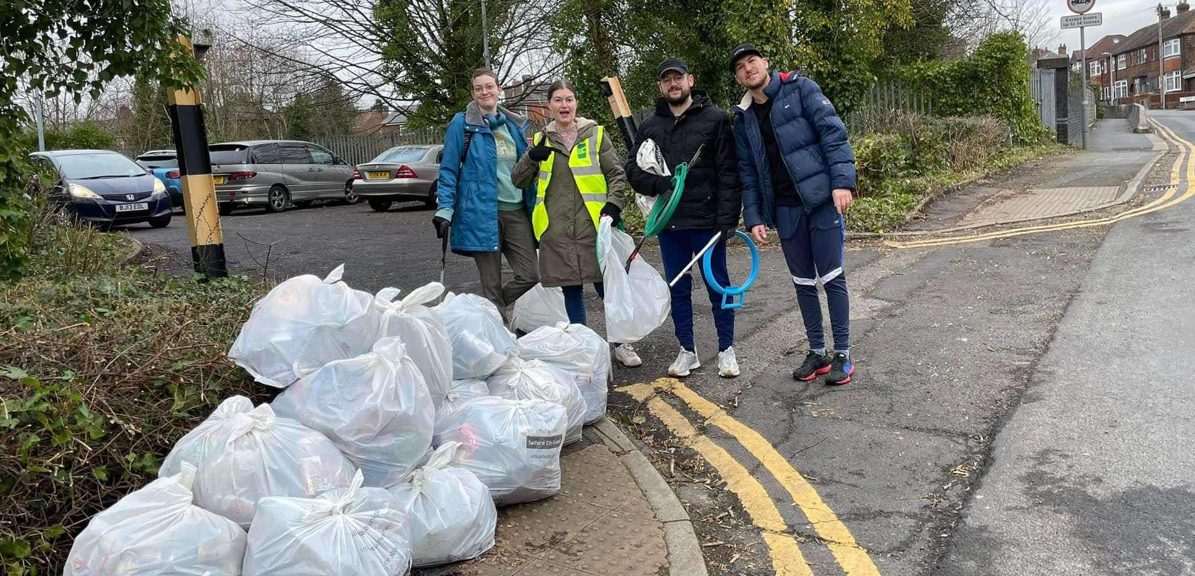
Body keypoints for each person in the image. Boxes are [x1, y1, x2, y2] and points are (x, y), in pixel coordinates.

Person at [728, 43, 858, 385]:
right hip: (785, 209)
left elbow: (833, 133)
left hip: (820, 200)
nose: (748, 68)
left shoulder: (800, 88)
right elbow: (748, 172)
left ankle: (842, 353)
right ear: (738, 77)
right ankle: (817, 352)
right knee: (802, 283)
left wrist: (842, 182)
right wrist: (754, 216)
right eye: (740, 67)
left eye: (752, 61)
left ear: (765, 63)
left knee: (831, 277)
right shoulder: (742, 118)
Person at [511, 80, 642, 367]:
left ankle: (622, 344)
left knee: (607, 289)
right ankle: (585, 349)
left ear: (576, 103)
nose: (564, 105)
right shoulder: (541, 140)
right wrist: (531, 158)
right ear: (550, 105)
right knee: (571, 290)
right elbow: (518, 180)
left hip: (593, 228)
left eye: (569, 99)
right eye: (558, 100)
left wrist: (614, 204)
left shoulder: (595, 135)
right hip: (556, 231)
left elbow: (616, 175)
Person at [625, 58, 742, 379]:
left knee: (719, 287)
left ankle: (726, 350)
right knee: (678, 288)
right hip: (670, 224)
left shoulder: (716, 119)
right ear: (660, 87)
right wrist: (657, 184)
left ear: (690, 80)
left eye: (678, 78)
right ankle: (686, 351)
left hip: (707, 222)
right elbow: (632, 168)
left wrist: (728, 218)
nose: (673, 84)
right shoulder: (650, 125)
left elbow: (729, 172)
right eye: (667, 80)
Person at [433, 68, 538, 318]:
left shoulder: (512, 125)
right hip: (481, 213)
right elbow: (448, 170)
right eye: (479, 88)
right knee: (491, 284)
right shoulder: (462, 124)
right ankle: (499, 339)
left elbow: (524, 168)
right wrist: (445, 209)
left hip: (516, 211)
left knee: (531, 274)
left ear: (499, 89)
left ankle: (486, 311)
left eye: (489, 86)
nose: (485, 92)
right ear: (473, 93)